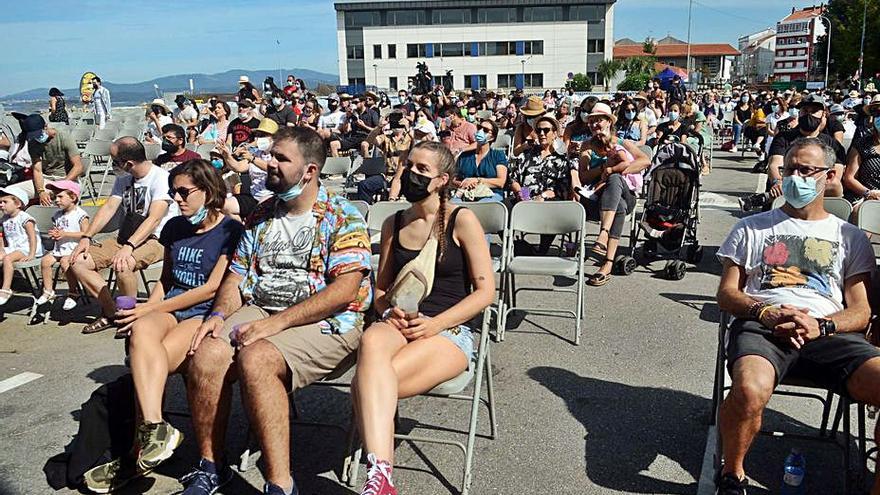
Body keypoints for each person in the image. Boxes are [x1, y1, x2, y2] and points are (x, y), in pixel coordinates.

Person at [182, 127, 372, 495]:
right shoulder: (262, 215)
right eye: (271, 154)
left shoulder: (341, 216)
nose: (269, 162)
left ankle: (280, 485)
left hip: (331, 318)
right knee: (206, 352)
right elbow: (236, 278)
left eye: (280, 158)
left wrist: (274, 324)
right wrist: (218, 317)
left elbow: (344, 290)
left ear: (309, 171)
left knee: (258, 358)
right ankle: (210, 466)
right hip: (263, 306)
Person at [714, 138, 880, 495]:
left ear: (831, 175)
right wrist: (765, 311)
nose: (795, 177)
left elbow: (862, 311)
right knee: (746, 389)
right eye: (789, 169)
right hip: (764, 326)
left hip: (830, 333)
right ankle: (732, 475)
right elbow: (727, 293)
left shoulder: (850, 237)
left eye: (806, 170)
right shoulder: (751, 227)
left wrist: (820, 325)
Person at [82, 161, 245, 492]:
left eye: (184, 192)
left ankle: (136, 457)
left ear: (209, 191)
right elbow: (167, 280)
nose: (178, 199)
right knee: (141, 333)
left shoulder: (230, 231)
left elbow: (212, 288)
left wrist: (153, 307)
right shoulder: (174, 228)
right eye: (174, 192)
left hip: (203, 311)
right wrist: (145, 311)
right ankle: (156, 429)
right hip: (171, 305)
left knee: (149, 365)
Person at [351, 141, 494, 495]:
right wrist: (387, 311)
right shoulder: (394, 222)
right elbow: (381, 288)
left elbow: (485, 291)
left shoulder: (462, 220)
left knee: (365, 384)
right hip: (400, 321)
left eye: (422, 170)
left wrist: (436, 323)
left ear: (442, 180)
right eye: (408, 165)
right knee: (371, 341)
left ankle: (378, 476)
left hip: (449, 328)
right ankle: (381, 476)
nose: (411, 174)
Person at [69, 138, 178, 335]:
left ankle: (130, 316)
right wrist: (87, 236)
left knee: (123, 264)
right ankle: (112, 313)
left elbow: (154, 218)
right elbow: (109, 207)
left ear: (128, 163)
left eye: (115, 160)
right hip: (126, 236)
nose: (113, 165)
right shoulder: (123, 179)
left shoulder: (161, 178)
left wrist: (129, 246)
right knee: (77, 262)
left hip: (156, 239)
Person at [574, 103, 650, 285]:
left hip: (626, 192)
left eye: (598, 120)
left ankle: (603, 234)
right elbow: (583, 176)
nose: (594, 125)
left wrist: (617, 170)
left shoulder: (622, 143)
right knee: (620, 207)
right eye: (591, 122)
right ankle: (608, 263)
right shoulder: (587, 146)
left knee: (615, 180)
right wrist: (604, 168)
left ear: (608, 122)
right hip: (598, 198)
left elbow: (645, 161)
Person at [509, 116, 572, 254]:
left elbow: (562, 189)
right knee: (502, 209)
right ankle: (518, 246)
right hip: (525, 197)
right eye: (539, 130)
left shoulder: (561, 159)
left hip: (548, 200)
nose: (542, 133)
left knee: (552, 207)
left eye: (546, 130)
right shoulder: (527, 154)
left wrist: (542, 196)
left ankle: (543, 250)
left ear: (555, 133)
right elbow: (513, 177)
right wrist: (522, 194)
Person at [767, 94, 847, 198]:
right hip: (787, 188)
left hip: (819, 192)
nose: (809, 114)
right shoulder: (783, 137)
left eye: (814, 111)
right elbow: (774, 165)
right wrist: (778, 181)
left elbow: (836, 176)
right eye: (805, 110)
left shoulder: (832, 144)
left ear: (823, 115)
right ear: (799, 113)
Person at [35, 180, 89, 310]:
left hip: (74, 249)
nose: (56, 200)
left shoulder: (80, 215)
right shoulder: (57, 214)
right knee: (45, 261)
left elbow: (86, 233)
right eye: (55, 196)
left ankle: (73, 292)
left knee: (66, 263)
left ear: (73, 197)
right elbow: (59, 229)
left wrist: (65, 234)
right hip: (59, 248)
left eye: (60, 196)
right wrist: (55, 234)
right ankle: (48, 290)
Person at [9, 114, 84, 204]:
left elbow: (78, 166)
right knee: (10, 192)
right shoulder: (33, 143)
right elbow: (37, 170)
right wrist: (41, 191)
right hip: (46, 180)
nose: (36, 137)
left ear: (45, 127)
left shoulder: (64, 137)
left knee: (61, 197)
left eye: (38, 134)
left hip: (66, 178)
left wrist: (62, 184)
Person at [219, 117, 278, 221]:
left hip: (272, 197)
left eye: (264, 135)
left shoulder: (278, 154)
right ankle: (242, 230)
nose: (260, 138)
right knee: (225, 206)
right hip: (254, 196)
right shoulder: (256, 153)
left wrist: (253, 159)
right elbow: (238, 167)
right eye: (259, 135)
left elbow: (272, 168)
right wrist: (226, 156)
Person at [357, 112, 412, 203]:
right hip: (387, 176)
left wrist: (408, 127)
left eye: (399, 120)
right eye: (395, 121)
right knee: (364, 185)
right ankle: (368, 210)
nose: (397, 124)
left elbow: (420, 144)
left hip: (406, 177)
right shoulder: (386, 138)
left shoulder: (410, 137)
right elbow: (369, 141)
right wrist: (378, 127)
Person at [0, 187, 42, 305]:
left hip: (27, 248)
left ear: (17, 203)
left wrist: (32, 254)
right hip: (14, 247)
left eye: (5, 202)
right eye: (0, 202)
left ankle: (6, 289)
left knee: (8, 259)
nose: (1, 205)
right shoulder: (5, 219)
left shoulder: (25, 218)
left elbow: (32, 237)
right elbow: (2, 236)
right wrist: (2, 250)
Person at [453, 119, 508, 202]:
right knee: (452, 204)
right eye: (479, 128)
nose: (480, 131)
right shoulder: (464, 156)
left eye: (485, 130)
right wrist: (465, 184)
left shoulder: (498, 155)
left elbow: (501, 182)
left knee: (483, 204)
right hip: (467, 193)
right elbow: (453, 180)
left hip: (491, 194)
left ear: (492, 137)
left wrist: (477, 181)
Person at [842, 98, 880, 213]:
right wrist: (869, 193)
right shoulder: (862, 144)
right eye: (877, 113)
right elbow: (849, 178)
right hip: (866, 198)